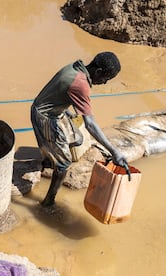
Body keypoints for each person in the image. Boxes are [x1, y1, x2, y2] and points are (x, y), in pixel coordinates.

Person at [31, 51, 128, 207]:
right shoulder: (80, 84)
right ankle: (48, 202)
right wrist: (114, 151)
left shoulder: (76, 67)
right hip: (44, 116)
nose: (103, 83)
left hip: (56, 111)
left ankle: (50, 157)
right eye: (105, 79)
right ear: (98, 72)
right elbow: (90, 124)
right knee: (64, 165)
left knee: (78, 139)